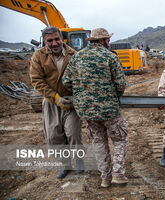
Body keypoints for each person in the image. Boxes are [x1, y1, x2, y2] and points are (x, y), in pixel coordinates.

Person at [62, 28, 128, 188]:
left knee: (98, 142)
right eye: (108, 40)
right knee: (120, 139)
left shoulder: (77, 57)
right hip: (109, 109)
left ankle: (105, 178)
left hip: (87, 111)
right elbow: (121, 84)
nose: (109, 43)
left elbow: (66, 81)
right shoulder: (110, 57)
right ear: (102, 41)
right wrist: (113, 96)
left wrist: (82, 93)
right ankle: (118, 175)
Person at [30, 26, 83, 179]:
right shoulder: (38, 56)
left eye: (56, 39)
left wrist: (76, 96)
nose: (54, 43)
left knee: (73, 134)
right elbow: (37, 80)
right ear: (45, 41)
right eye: (50, 40)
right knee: (54, 136)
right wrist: (55, 97)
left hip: (70, 102)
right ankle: (66, 165)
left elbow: (81, 78)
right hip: (51, 102)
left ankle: (79, 162)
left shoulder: (74, 55)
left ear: (62, 39)